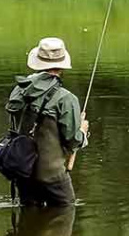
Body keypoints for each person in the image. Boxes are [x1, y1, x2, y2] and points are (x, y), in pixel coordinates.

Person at [6, 37, 90, 207]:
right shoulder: (66, 98)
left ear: (37, 62)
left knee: (28, 217)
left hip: (22, 171)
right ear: (61, 66)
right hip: (52, 175)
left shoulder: (19, 90)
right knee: (65, 213)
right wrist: (82, 130)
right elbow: (72, 140)